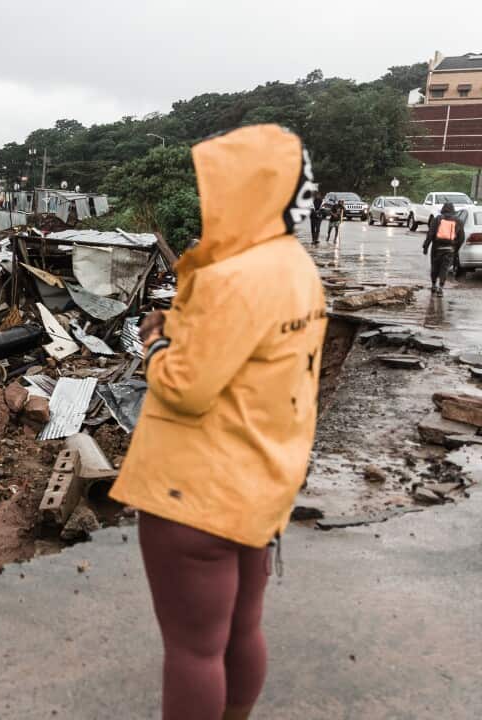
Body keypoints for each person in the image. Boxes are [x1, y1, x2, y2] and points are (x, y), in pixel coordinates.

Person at [111, 124, 327, 720]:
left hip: (195, 491)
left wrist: (154, 341)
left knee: (192, 649)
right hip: (263, 479)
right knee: (242, 630)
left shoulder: (231, 277)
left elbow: (186, 388)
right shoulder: (296, 269)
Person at [423, 202, 466, 295]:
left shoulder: (437, 219)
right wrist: (456, 248)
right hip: (450, 248)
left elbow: (430, 234)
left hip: (437, 247)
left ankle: (433, 285)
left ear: (443, 209)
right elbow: (461, 238)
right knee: (444, 268)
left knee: (435, 267)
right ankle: (440, 288)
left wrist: (426, 246)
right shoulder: (458, 221)